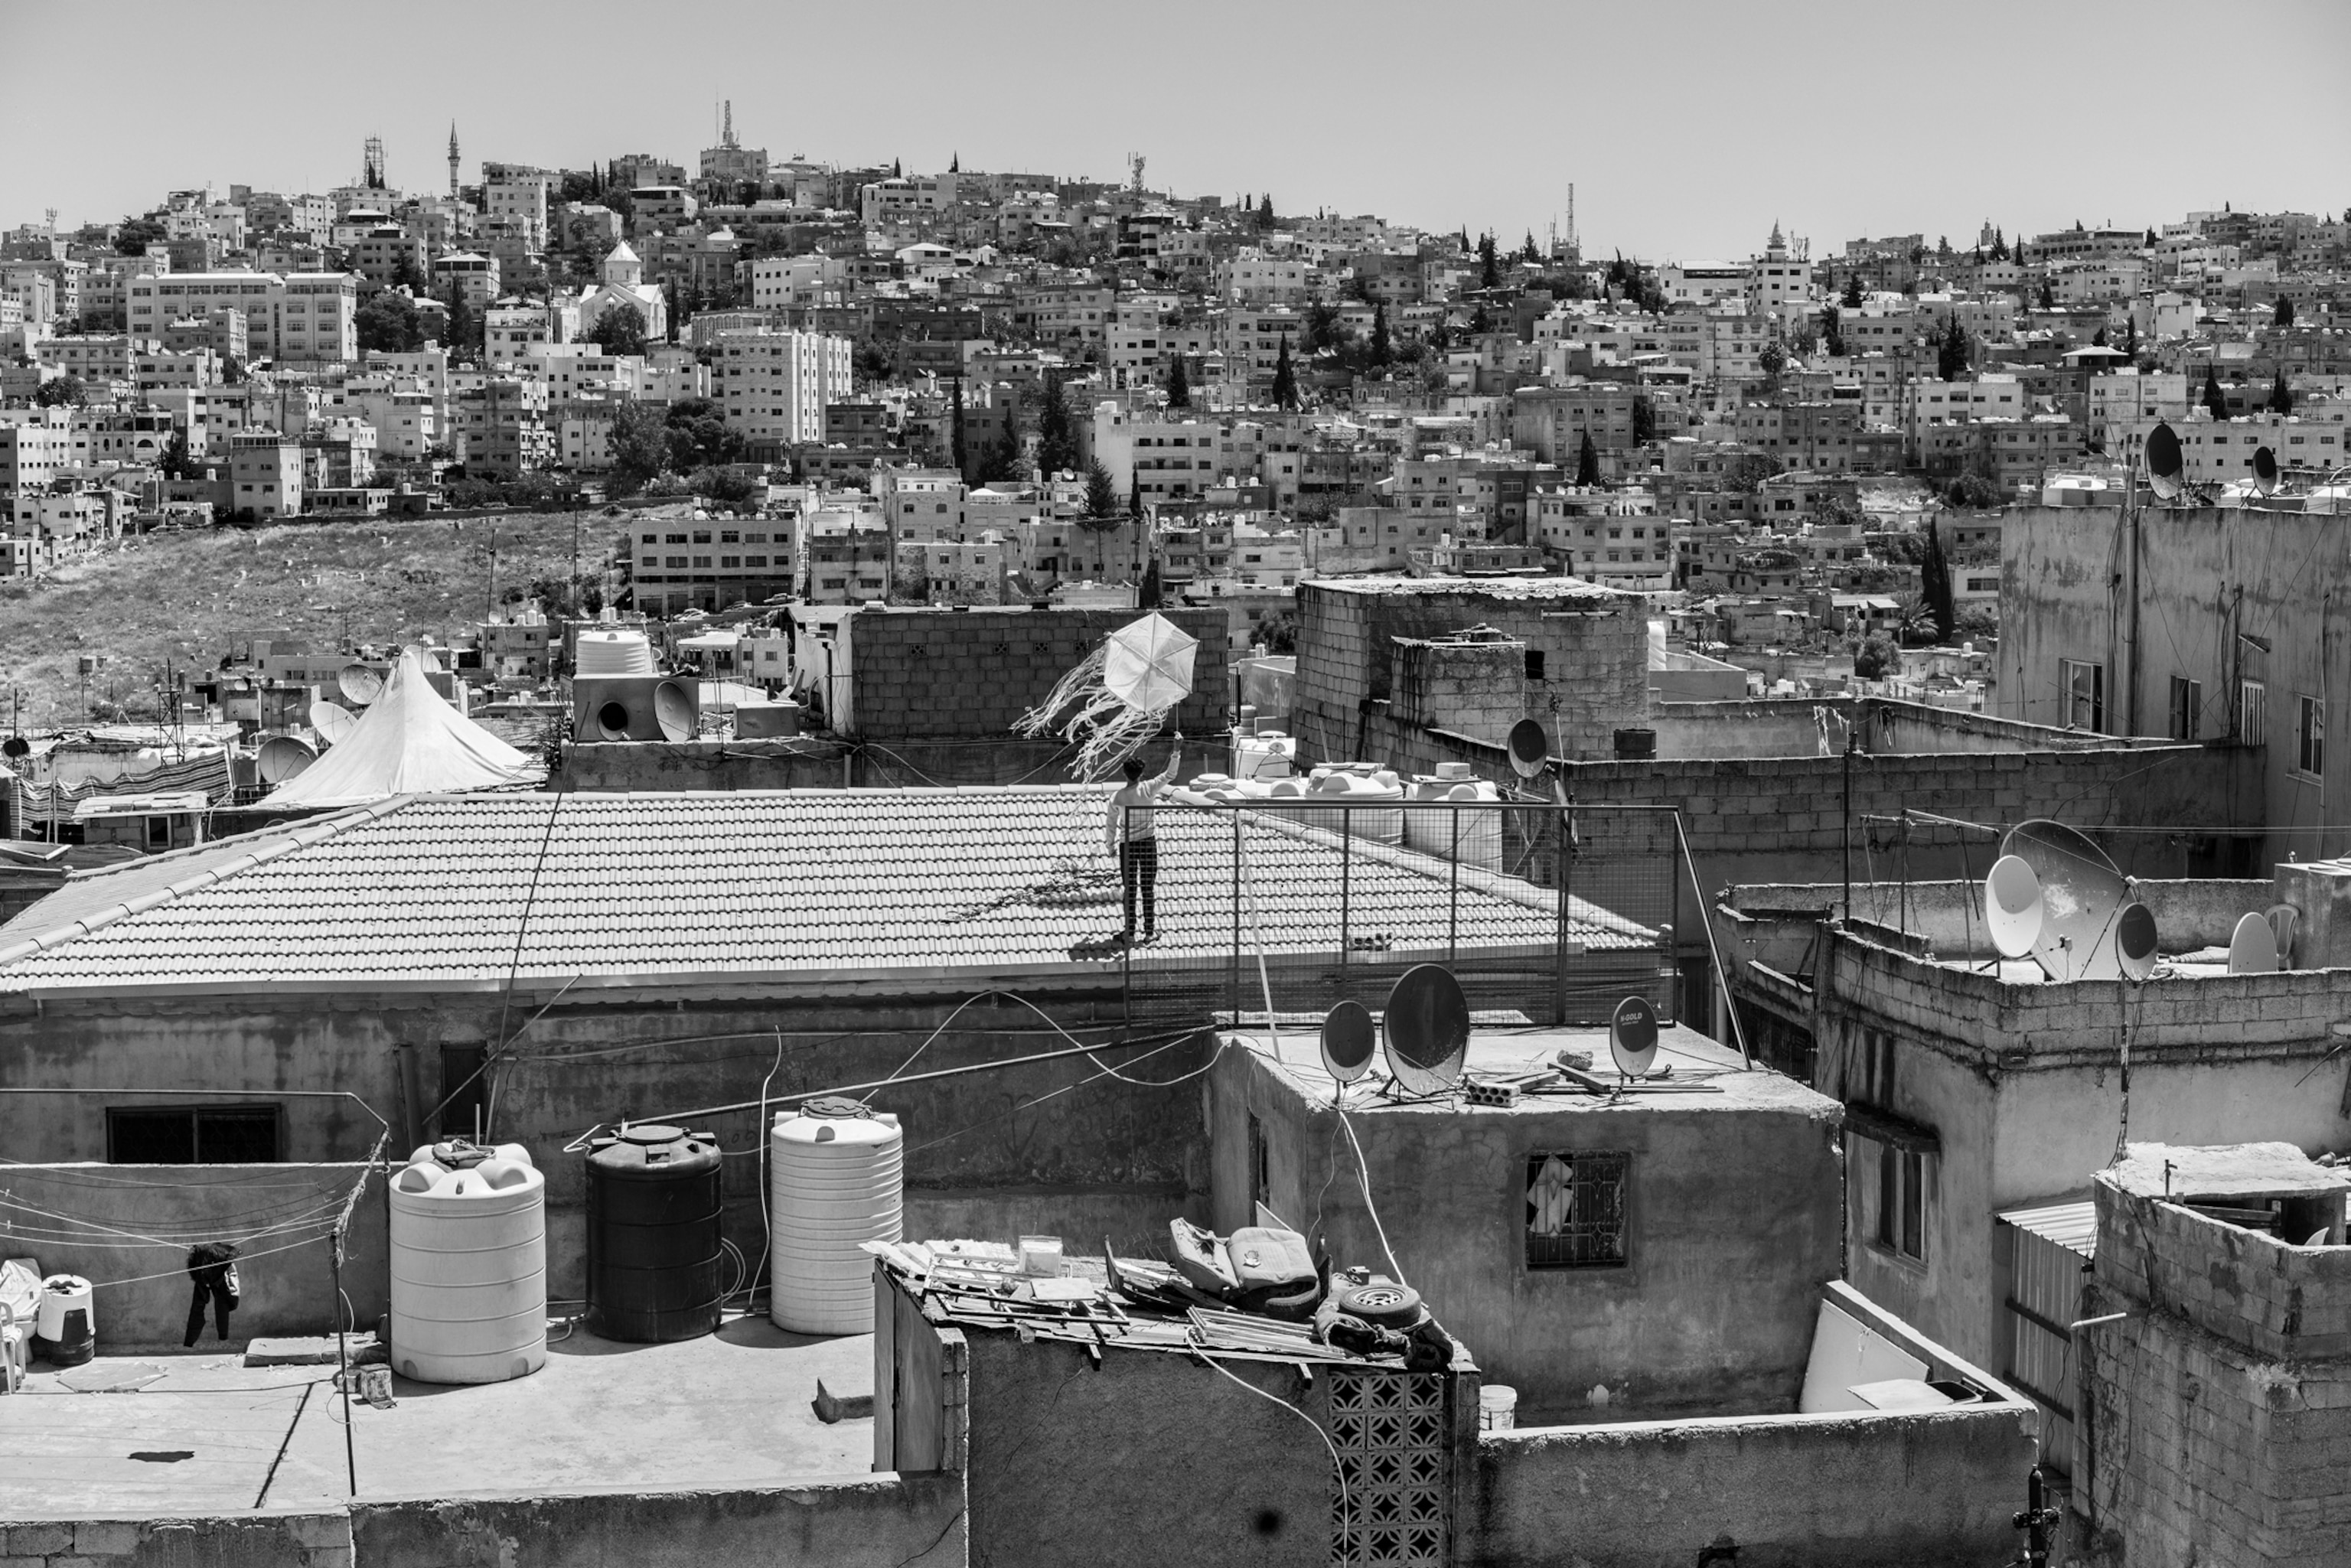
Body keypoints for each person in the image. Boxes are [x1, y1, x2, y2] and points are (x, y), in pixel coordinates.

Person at [1106, 738, 1181, 943]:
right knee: (1147, 887)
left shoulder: (1117, 797)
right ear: (1140, 774)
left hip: (1127, 846)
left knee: (1130, 889)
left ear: (1125, 774)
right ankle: (1149, 932)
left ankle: (1129, 933)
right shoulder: (1148, 788)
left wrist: (1110, 846)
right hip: (1148, 843)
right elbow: (1170, 775)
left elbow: (1111, 824)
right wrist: (1176, 750)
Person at [184, 1241, 240, 1348]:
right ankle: (190, 1341)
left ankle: (222, 1337)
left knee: (222, 1301)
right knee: (204, 1304)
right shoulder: (198, 1261)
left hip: (219, 1264)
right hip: (203, 1266)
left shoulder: (223, 1259)